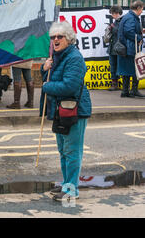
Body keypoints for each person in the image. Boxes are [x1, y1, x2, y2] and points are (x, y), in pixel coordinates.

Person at [40, 21, 92, 201]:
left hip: (74, 110)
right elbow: (50, 76)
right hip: (60, 110)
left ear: (68, 39)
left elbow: (69, 86)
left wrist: (47, 87)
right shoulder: (57, 56)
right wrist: (43, 68)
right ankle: (66, 185)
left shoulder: (74, 58)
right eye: (53, 37)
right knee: (63, 151)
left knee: (72, 152)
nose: (55, 40)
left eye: (59, 37)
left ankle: (71, 190)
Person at [117, 0, 144, 98]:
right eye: (142, 9)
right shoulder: (131, 18)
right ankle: (133, 90)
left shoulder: (128, 17)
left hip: (126, 48)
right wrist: (140, 37)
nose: (142, 11)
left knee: (126, 70)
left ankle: (125, 91)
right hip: (130, 48)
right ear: (138, 8)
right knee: (134, 69)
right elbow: (129, 32)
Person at [106, 5, 123, 91]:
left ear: (117, 13)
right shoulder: (114, 22)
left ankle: (124, 84)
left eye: (112, 13)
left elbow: (120, 31)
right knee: (113, 66)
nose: (112, 15)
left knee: (121, 66)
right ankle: (114, 84)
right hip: (112, 47)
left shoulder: (123, 21)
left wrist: (112, 28)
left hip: (120, 48)